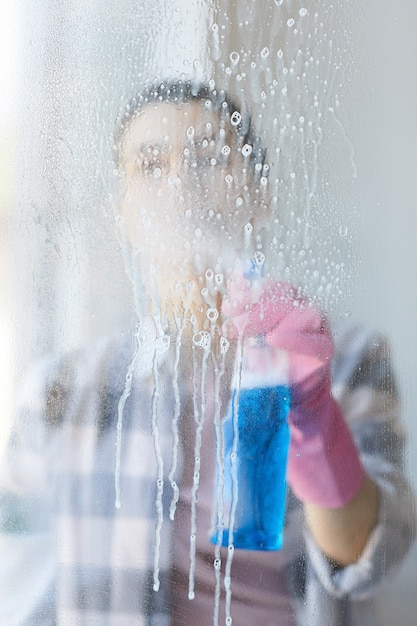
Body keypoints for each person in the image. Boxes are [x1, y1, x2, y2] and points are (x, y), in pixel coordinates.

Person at [0, 80, 415, 626]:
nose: (179, 182)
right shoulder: (64, 388)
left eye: (209, 158)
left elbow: (369, 556)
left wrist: (314, 421)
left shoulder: (347, 358)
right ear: (122, 210)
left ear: (260, 194)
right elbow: (18, 573)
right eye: (150, 164)